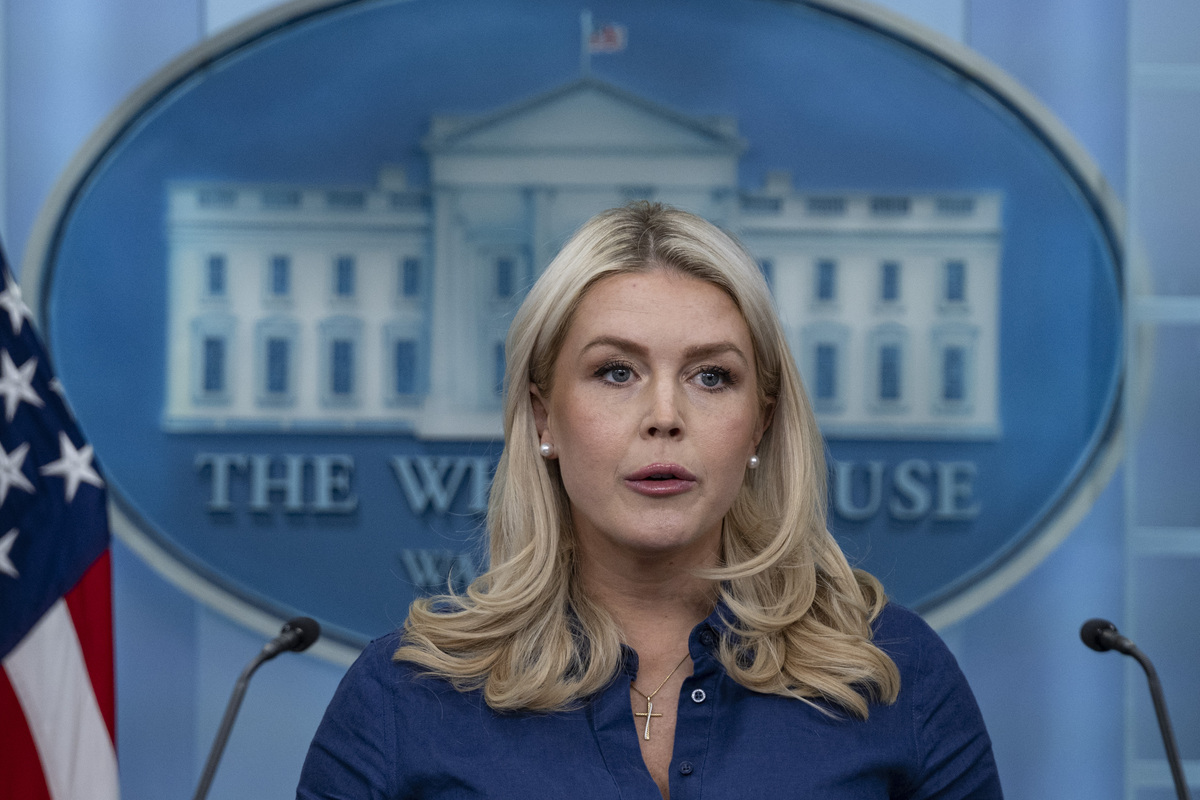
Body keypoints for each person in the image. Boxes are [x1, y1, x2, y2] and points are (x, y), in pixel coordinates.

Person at [297, 202, 1003, 799]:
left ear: (760, 421)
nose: (664, 416)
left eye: (711, 376)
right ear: (543, 418)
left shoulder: (894, 673)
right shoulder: (405, 698)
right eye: (616, 372)